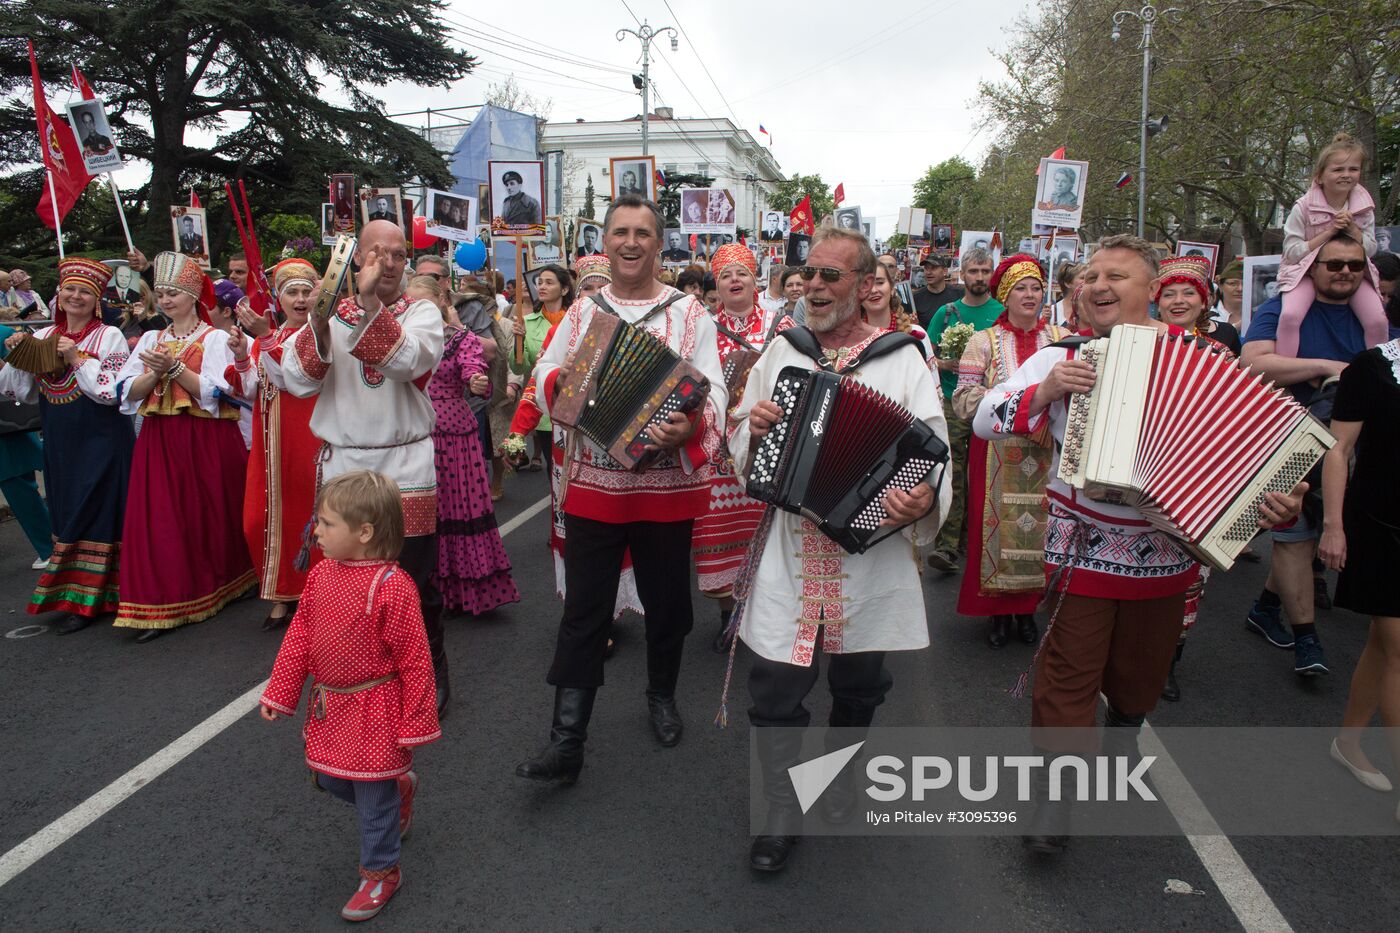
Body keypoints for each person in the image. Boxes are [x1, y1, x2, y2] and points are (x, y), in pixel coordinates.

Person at [974, 235, 1304, 853]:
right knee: (1067, 675)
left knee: (1139, 674)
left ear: (1151, 289)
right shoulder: (1060, 356)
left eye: (1115, 276)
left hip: (1168, 555)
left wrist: (1273, 499)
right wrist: (1044, 394)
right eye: (1089, 275)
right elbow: (985, 418)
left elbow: (1251, 456)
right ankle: (1055, 799)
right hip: (1081, 549)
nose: (1096, 284)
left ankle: (1124, 730)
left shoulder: (1209, 361)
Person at [731, 225, 950, 872]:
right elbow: (742, 438)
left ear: (863, 284)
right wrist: (755, 430)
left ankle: (839, 772)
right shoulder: (783, 351)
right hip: (791, 551)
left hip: (869, 550)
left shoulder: (902, 358)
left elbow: (933, 455)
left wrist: (923, 500)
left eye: (832, 276)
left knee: (860, 683)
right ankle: (778, 809)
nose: (815, 286)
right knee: (775, 685)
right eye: (809, 275)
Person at [515, 194, 726, 783]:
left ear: (659, 244)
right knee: (584, 612)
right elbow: (543, 377)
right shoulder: (583, 312)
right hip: (594, 488)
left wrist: (692, 426)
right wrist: (566, 384)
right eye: (620, 233)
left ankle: (661, 695)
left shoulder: (690, 315)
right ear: (604, 244)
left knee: (668, 607)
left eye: (642, 233)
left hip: (665, 491)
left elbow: (715, 391)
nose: (630, 243)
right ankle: (567, 739)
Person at [265, 219, 450, 712]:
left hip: (405, 469)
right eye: (376, 254)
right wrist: (322, 327)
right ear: (354, 260)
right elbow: (297, 380)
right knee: (347, 584)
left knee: (411, 584)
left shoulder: (423, 312)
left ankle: (427, 676)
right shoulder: (326, 314)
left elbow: (408, 362)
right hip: (346, 468)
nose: (388, 264)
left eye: (397, 255)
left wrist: (369, 306)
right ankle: (363, 684)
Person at [259, 471, 440, 923]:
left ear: (364, 532)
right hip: (332, 704)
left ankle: (381, 872)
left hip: (376, 708)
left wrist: (416, 720)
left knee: (371, 795)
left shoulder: (392, 586)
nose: (315, 531)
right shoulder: (321, 576)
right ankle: (399, 790)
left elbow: (415, 658)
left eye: (325, 523)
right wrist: (281, 691)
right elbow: (300, 635)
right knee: (331, 779)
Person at [1242, 232, 1381, 676]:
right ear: (1313, 268)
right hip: (1290, 438)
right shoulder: (1282, 309)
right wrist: (1327, 367)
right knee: (1294, 536)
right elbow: (1252, 362)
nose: (1344, 272)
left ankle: (1265, 606)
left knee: (1319, 533)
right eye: (1334, 264)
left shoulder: (1381, 317)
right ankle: (1307, 639)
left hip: (1362, 447)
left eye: (1354, 266)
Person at [113, 252, 255, 641]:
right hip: (161, 439)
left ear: (194, 296)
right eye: (161, 293)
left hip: (206, 436)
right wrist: (154, 373)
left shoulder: (215, 339)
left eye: (174, 292)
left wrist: (173, 369)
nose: (166, 299)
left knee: (209, 511)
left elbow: (218, 393)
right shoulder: (149, 338)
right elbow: (127, 392)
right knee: (162, 516)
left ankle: (224, 581)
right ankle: (163, 597)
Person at [952, 254, 1067, 648]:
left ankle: (1027, 611)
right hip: (997, 451)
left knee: (1041, 534)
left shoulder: (1061, 338)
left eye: (1036, 287)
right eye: (1021, 287)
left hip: (1048, 452)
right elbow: (964, 400)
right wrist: (1017, 401)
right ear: (1005, 295)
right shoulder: (982, 342)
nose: (1030, 294)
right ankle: (999, 615)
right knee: (997, 534)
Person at [694, 244, 793, 652]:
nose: (735, 281)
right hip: (716, 449)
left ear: (756, 281)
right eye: (726, 275)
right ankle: (728, 615)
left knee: (767, 534)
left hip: (766, 444)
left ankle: (764, 614)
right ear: (717, 285)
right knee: (720, 536)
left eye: (743, 274)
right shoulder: (699, 327)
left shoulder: (781, 325)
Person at [404, 275, 520, 616]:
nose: (415, 310)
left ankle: (468, 590)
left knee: (460, 508)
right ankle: (426, 586)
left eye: (422, 303)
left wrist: (476, 380)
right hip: (413, 430)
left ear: (442, 301)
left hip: (452, 431)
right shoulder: (401, 340)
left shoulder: (462, 339)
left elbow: (475, 373)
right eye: (409, 304)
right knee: (426, 511)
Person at [1318, 333, 1400, 811]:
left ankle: (1347, 743)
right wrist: (1333, 525)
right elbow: (1338, 449)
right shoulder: (1371, 368)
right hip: (1380, 526)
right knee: (1397, 649)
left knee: (1384, 646)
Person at [234, 259, 325, 631]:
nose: (301, 299)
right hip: (269, 446)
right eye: (292, 292)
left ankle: (314, 595)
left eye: (307, 292)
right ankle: (277, 594)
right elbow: (246, 390)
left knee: (312, 517)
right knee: (259, 521)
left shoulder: (319, 336)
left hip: (309, 437)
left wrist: (265, 339)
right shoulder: (260, 340)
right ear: (279, 298)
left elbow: (291, 379)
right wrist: (242, 352)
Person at [1273, 133, 1388, 358]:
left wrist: (1354, 231)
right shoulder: (1303, 207)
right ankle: (1283, 376)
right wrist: (1330, 232)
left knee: (1377, 320)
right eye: (1338, 170)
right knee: (1289, 316)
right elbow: (1292, 253)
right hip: (1305, 273)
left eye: (1353, 169)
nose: (1346, 175)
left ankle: (1378, 377)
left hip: (1351, 273)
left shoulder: (1365, 208)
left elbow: (1372, 250)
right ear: (1320, 176)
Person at [923, 247, 1001, 573]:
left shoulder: (1001, 312)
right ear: (962, 274)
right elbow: (928, 356)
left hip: (993, 406)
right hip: (954, 403)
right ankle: (947, 546)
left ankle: (984, 543)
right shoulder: (948, 313)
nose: (979, 277)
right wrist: (946, 362)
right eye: (974, 271)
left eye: (985, 271)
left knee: (988, 476)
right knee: (953, 474)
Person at [509, 264, 573, 472]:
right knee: (554, 470)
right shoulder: (526, 322)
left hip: (575, 406)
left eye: (549, 282)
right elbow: (520, 368)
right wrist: (518, 341)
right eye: (540, 282)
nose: (542, 287)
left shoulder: (575, 320)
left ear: (564, 289)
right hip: (544, 408)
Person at [1155, 255, 1241, 355]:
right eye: (1169, 294)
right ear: (1158, 305)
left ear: (1203, 302)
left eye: (1188, 293)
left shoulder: (1218, 353)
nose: (1178, 301)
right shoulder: (1141, 344)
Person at [860, 260, 931, 354]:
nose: (873, 290)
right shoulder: (850, 340)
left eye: (880, 282)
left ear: (892, 288)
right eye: (865, 285)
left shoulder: (916, 334)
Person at [911, 254, 965, 327]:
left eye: (933, 268)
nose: (928, 272)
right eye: (926, 268)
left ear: (945, 271)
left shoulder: (960, 294)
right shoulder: (916, 298)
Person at [1212, 259, 1245, 328]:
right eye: (1233, 284)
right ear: (1220, 286)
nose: (1240, 289)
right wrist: (1237, 327)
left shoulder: (1258, 314)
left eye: (1245, 284)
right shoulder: (1208, 314)